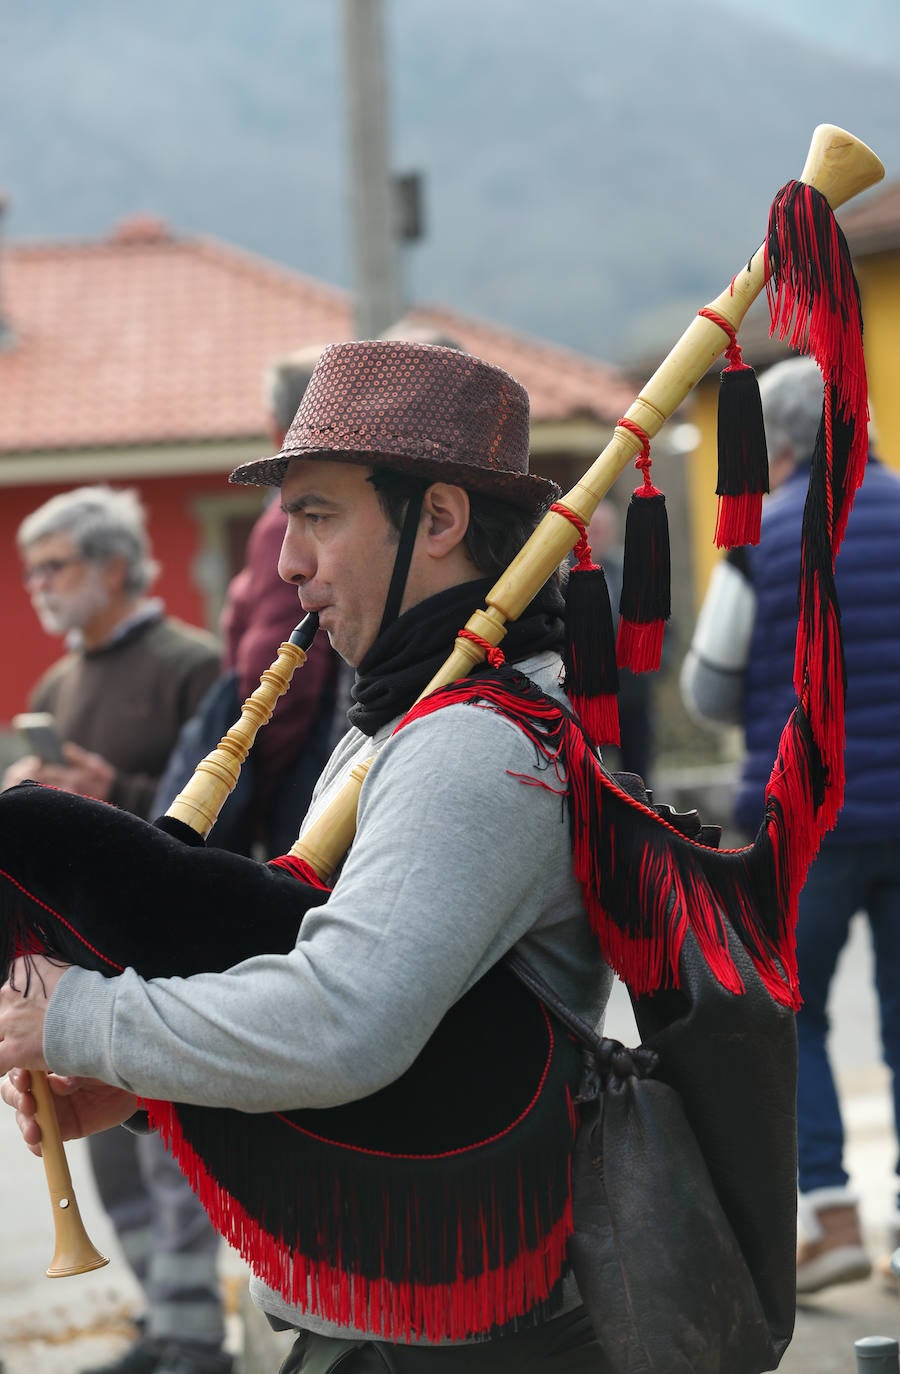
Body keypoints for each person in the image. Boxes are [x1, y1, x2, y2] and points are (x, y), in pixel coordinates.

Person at [0, 342, 619, 1373]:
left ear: (437, 519)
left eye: (318, 514)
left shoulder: (472, 745)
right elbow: (349, 992)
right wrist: (143, 1085)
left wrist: (80, 1015)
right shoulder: (405, 725)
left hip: (465, 1347)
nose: (287, 561)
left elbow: (344, 1022)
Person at [680, 356, 900, 1294]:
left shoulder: (760, 539)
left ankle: (829, 1213)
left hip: (808, 823)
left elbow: (704, 686)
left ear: (778, 445)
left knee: (790, 1012)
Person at [1, 485, 233, 1374]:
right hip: (71, 967)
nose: (38, 586)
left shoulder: (192, 662)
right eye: (30, 571)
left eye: (53, 566)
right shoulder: (59, 680)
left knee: (174, 1170)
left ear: (109, 566)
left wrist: (114, 799)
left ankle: (193, 1342)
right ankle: (159, 1322)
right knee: (111, 1170)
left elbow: (221, 822)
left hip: (163, 969)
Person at [152, 346, 343, 857]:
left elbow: (281, 676)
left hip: (303, 778)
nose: (290, 564)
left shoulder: (286, 522)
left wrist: (252, 791)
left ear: (278, 430)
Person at [586, 497, 657, 783]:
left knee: (639, 775)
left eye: (603, 529)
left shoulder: (632, 570)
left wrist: (654, 666)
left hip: (633, 695)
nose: (597, 535)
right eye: (593, 529)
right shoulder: (564, 574)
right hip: (589, 697)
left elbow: (661, 625)